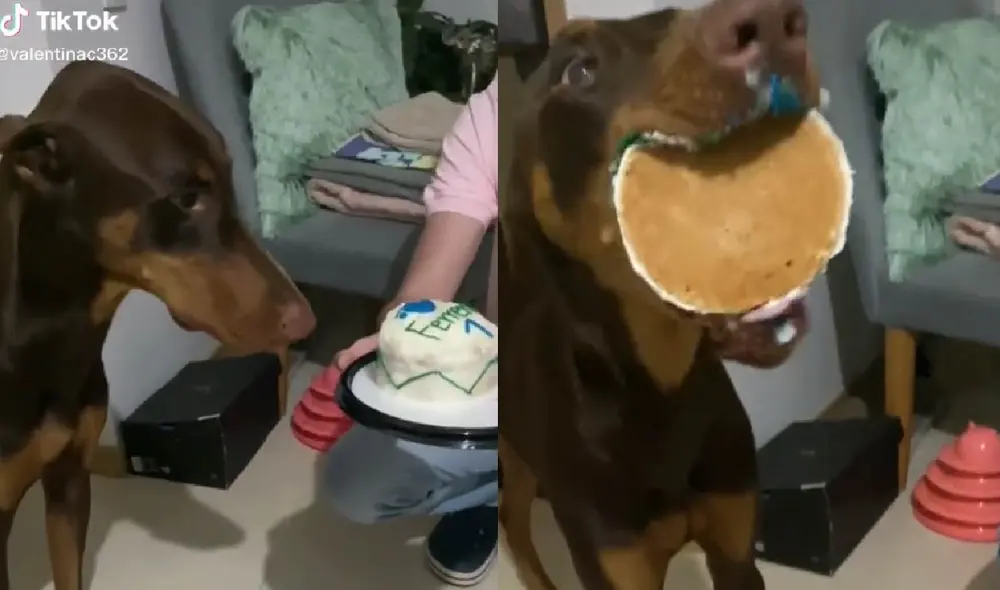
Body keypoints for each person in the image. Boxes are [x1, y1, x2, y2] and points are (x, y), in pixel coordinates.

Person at [324, 78, 499, 586]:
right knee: (356, 487)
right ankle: (490, 494)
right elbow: (425, 291)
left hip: (614, 388)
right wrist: (401, 335)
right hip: (493, 384)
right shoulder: (494, 111)